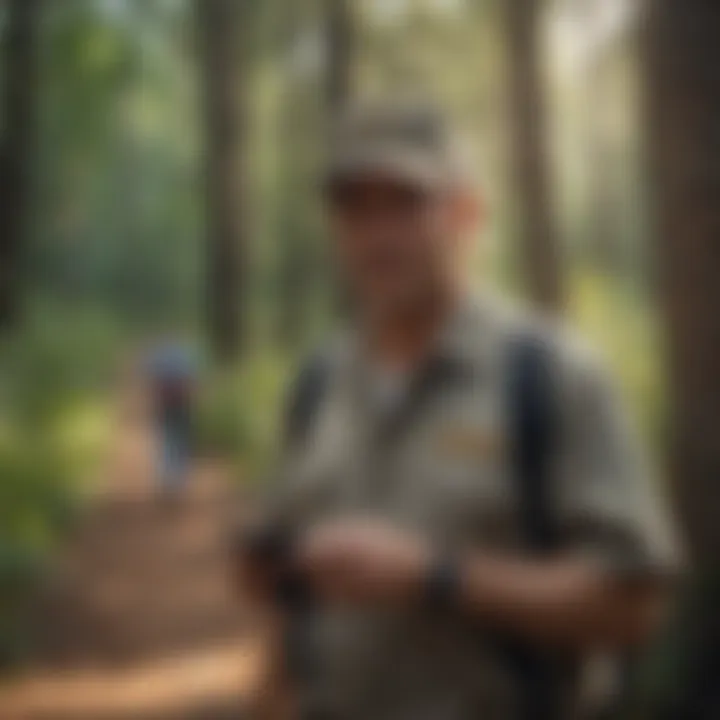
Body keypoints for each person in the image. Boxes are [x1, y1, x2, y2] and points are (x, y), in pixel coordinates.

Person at [236, 101, 682, 720]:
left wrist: (437, 577)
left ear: (467, 213)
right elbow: (289, 604)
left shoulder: (551, 377)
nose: (377, 233)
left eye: (404, 203)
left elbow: (634, 605)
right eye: (354, 208)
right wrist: (274, 584)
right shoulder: (317, 382)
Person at [147, 338, 197, 497]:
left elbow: (152, 382)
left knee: (168, 439)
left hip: (164, 405)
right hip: (183, 405)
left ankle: (169, 478)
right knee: (181, 440)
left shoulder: (159, 359)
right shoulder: (184, 357)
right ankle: (178, 479)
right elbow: (191, 381)